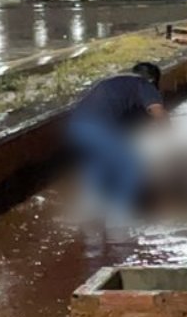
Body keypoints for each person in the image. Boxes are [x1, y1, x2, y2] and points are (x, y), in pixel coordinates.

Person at [67, 62, 167, 239]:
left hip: (76, 127)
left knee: (96, 163)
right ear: (153, 80)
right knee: (131, 165)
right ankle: (118, 219)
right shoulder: (144, 84)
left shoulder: (114, 81)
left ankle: (89, 212)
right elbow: (156, 111)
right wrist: (172, 136)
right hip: (98, 127)